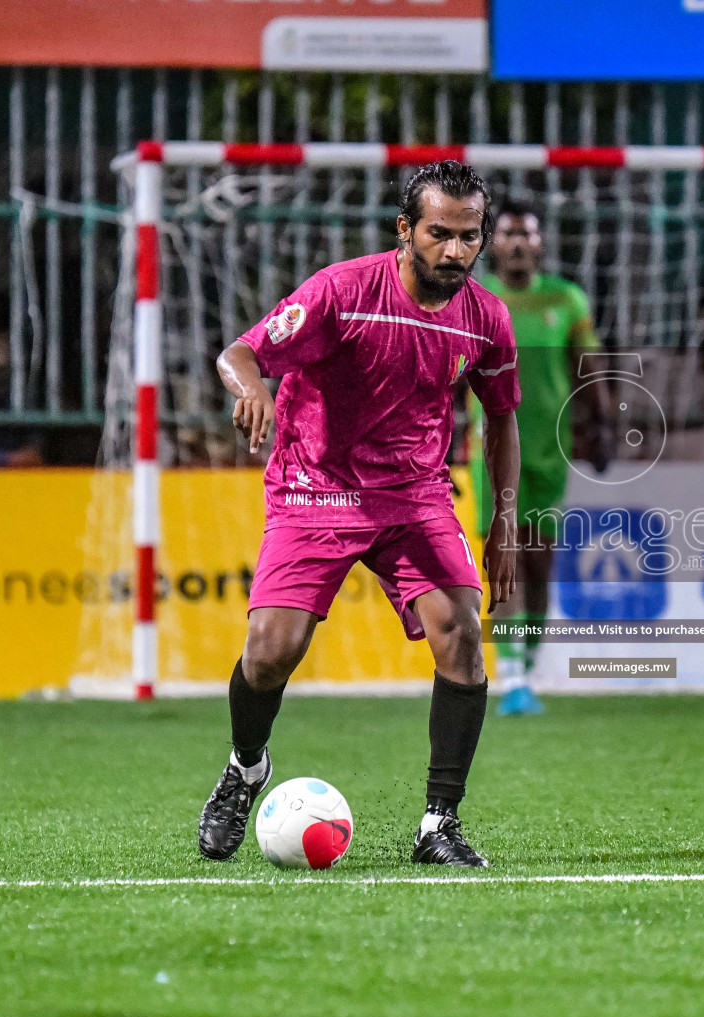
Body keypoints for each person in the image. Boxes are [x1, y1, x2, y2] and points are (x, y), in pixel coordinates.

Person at [197, 160, 521, 869]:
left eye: (470, 237)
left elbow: (502, 421)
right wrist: (250, 388)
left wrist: (504, 521)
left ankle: (440, 823)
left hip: (416, 497)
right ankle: (245, 769)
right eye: (440, 234)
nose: (456, 251)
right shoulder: (343, 292)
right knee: (270, 651)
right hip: (316, 488)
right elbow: (240, 353)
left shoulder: (487, 318)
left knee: (462, 638)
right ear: (406, 230)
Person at [473, 200, 610, 716]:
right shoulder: (475, 296)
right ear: (494, 243)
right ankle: (510, 676)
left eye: (524, 234)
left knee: (539, 564)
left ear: (540, 244)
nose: (515, 243)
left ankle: (527, 667)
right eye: (506, 234)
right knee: (503, 556)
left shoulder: (567, 299)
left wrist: (601, 426)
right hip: (490, 448)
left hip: (551, 450)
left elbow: (586, 367)